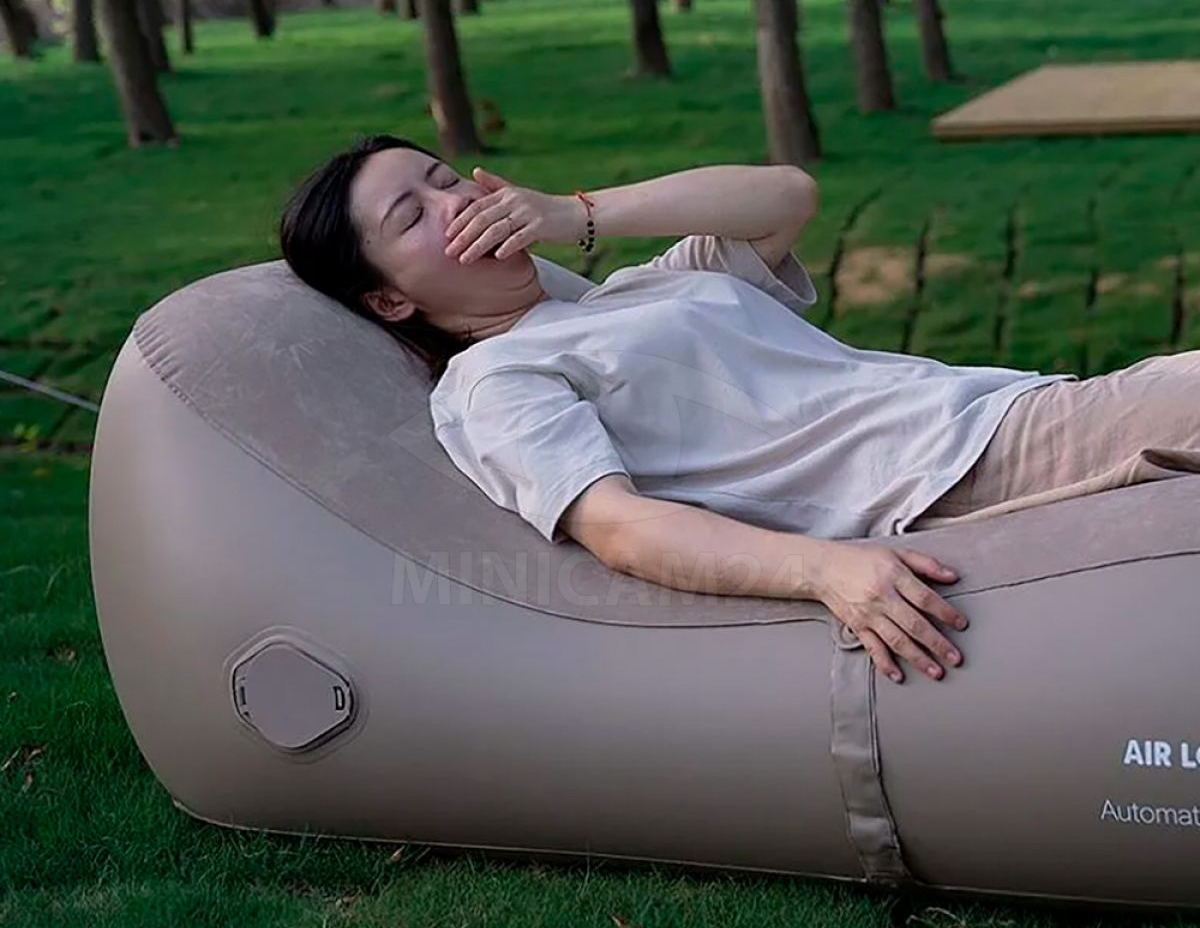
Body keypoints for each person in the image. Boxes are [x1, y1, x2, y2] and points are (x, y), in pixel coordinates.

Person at [280, 134, 1200, 686]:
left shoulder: (636, 292)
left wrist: (573, 214)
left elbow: (785, 197)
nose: (450, 204)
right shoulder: (497, 381)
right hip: (952, 471)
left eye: (445, 178)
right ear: (390, 300)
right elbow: (618, 528)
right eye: (411, 217)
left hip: (1003, 410)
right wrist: (823, 571)